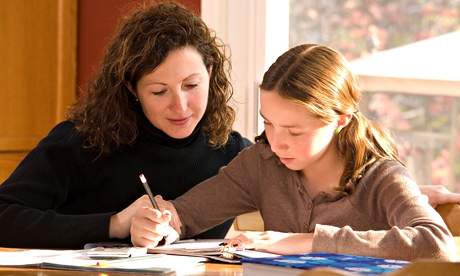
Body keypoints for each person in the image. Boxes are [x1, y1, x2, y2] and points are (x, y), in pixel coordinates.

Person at [130, 44, 457, 262]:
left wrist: (310, 241)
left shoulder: (382, 176)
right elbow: (184, 215)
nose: (276, 142)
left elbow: (436, 246)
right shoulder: (261, 164)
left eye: (294, 131)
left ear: (340, 120)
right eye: (268, 123)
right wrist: (158, 223)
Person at [0, 2, 252, 248]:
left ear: (209, 72)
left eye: (191, 86)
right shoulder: (82, 142)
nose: (181, 106)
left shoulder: (234, 153)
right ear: (132, 88)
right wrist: (114, 224)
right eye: (159, 91)